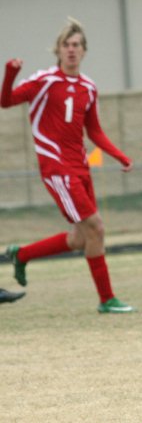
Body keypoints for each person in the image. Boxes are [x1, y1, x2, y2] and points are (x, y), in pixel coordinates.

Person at [1, 17, 135, 313]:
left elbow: (94, 131)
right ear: (58, 50)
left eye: (76, 45)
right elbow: (6, 101)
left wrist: (119, 155)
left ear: (84, 51)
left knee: (79, 237)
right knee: (96, 228)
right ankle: (107, 300)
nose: (71, 50)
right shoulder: (44, 81)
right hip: (56, 167)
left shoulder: (88, 87)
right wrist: (10, 73)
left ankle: (21, 254)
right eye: (66, 45)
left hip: (80, 166)